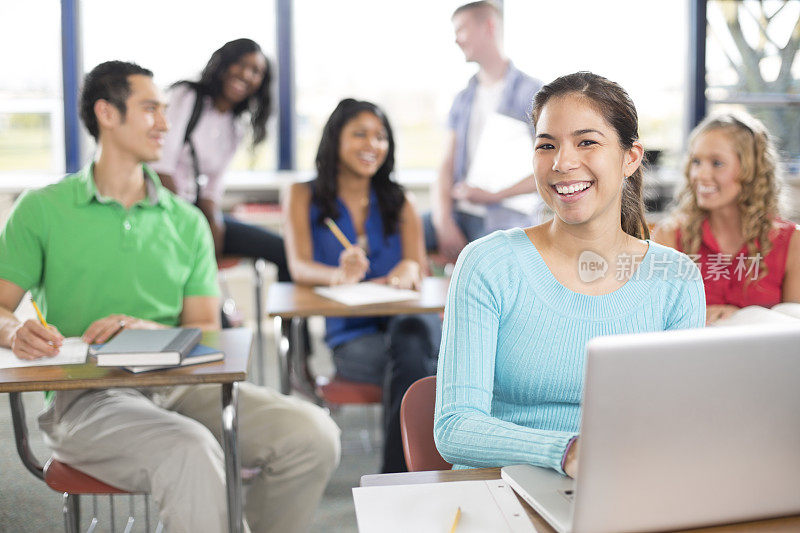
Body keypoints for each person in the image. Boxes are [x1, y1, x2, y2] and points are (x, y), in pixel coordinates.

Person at [0, 61, 339, 533]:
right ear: (106, 113)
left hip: (182, 385)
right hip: (88, 400)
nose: (165, 122)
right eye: (150, 109)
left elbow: (206, 329)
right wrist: (15, 330)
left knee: (313, 434)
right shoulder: (41, 209)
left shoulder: (186, 222)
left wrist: (156, 331)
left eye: (164, 110)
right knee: (190, 451)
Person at [434, 72, 706, 478]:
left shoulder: (676, 280)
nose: (563, 163)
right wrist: (567, 452)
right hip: (497, 491)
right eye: (547, 145)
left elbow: (679, 425)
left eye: (587, 142)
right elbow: (455, 428)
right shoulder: (488, 264)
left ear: (630, 157)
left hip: (623, 491)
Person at [283, 98, 441, 473]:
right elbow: (299, 265)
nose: (373, 144)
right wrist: (337, 276)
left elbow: (417, 265)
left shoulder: (397, 199)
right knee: (418, 364)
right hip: (355, 333)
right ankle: (403, 476)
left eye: (381, 136)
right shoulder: (303, 195)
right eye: (360, 134)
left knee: (410, 340)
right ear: (335, 139)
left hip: (406, 321)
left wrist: (407, 267)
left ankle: (395, 478)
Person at [151, 38, 291, 280]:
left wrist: (215, 228)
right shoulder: (186, 97)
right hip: (162, 211)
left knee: (284, 250)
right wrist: (193, 227)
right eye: (241, 64)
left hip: (196, 213)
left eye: (256, 71)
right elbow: (161, 168)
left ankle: (291, 319)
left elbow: (211, 192)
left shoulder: (235, 128)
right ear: (224, 64)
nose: (247, 75)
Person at [652, 112, 800, 324]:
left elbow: (795, 337)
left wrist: (742, 318)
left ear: (752, 171)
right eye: (696, 161)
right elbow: (655, 324)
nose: (700, 175)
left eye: (717, 163)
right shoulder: (669, 237)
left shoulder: (793, 242)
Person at [424, 1, 543, 262]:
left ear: (489, 26)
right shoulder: (463, 98)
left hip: (505, 218)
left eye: (461, 29)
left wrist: (494, 196)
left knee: (490, 259)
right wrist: (443, 220)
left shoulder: (534, 93)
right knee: (401, 232)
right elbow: (445, 165)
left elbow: (550, 169)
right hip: (460, 212)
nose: (456, 39)